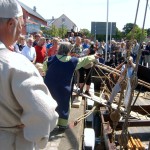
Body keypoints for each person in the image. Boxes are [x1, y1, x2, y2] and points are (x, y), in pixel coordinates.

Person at [0, 0, 58, 150]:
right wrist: (33, 131)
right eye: (21, 24)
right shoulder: (16, 63)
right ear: (11, 24)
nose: (22, 30)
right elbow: (46, 115)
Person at [44, 42, 100, 130]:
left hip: (50, 86)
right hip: (64, 88)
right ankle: (62, 125)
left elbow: (44, 68)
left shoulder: (51, 59)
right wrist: (94, 57)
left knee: (49, 104)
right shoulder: (72, 61)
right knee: (64, 104)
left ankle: (49, 122)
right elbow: (84, 60)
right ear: (68, 50)